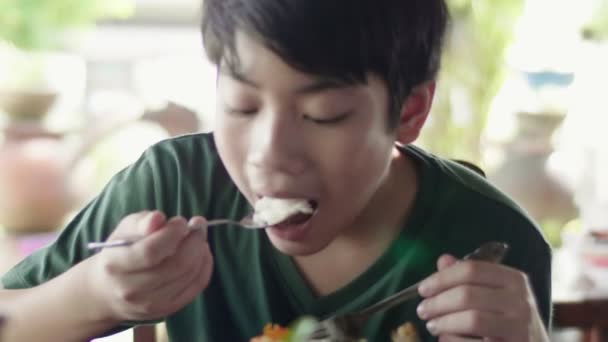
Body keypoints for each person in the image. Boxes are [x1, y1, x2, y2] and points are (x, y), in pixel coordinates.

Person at [0, 1, 552, 341]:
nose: (268, 153)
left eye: (323, 116)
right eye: (242, 106)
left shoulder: (495, 244)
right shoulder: (178, 186)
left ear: (408, 112)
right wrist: (94, 294)